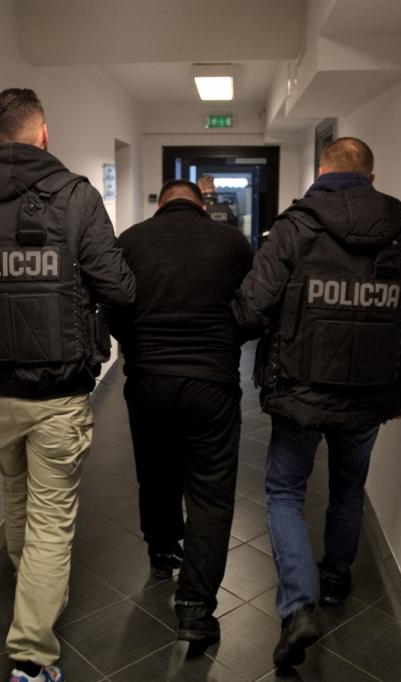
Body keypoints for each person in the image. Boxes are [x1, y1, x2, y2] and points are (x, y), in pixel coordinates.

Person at [0, 88, 135, 682]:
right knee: (50, 517)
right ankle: (32, 657)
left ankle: (33, 590)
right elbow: (119, 288)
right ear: (44, 135)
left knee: (17, 494)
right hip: (58, 394)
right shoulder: (76, 198)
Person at [233, 137, 401, 669]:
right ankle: (337, 581)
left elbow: (251, 308)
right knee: (348, 490)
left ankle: (298, 606)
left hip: (299, 390)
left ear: (321, 172)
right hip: (368, 396)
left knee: (284, 493)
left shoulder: (294, 229)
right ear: (371, 178)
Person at [109, 180, 253, 645]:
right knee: (211, 492)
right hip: (212, 382)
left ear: (161, 204)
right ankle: (195, 609)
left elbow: (115, 306)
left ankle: (161, 551)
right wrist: (225, 343)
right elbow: (252, 307)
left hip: (149, 379)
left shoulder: (131, 240)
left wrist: (137, 348)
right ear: (201, 204)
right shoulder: (232, 242)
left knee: (155, 471)